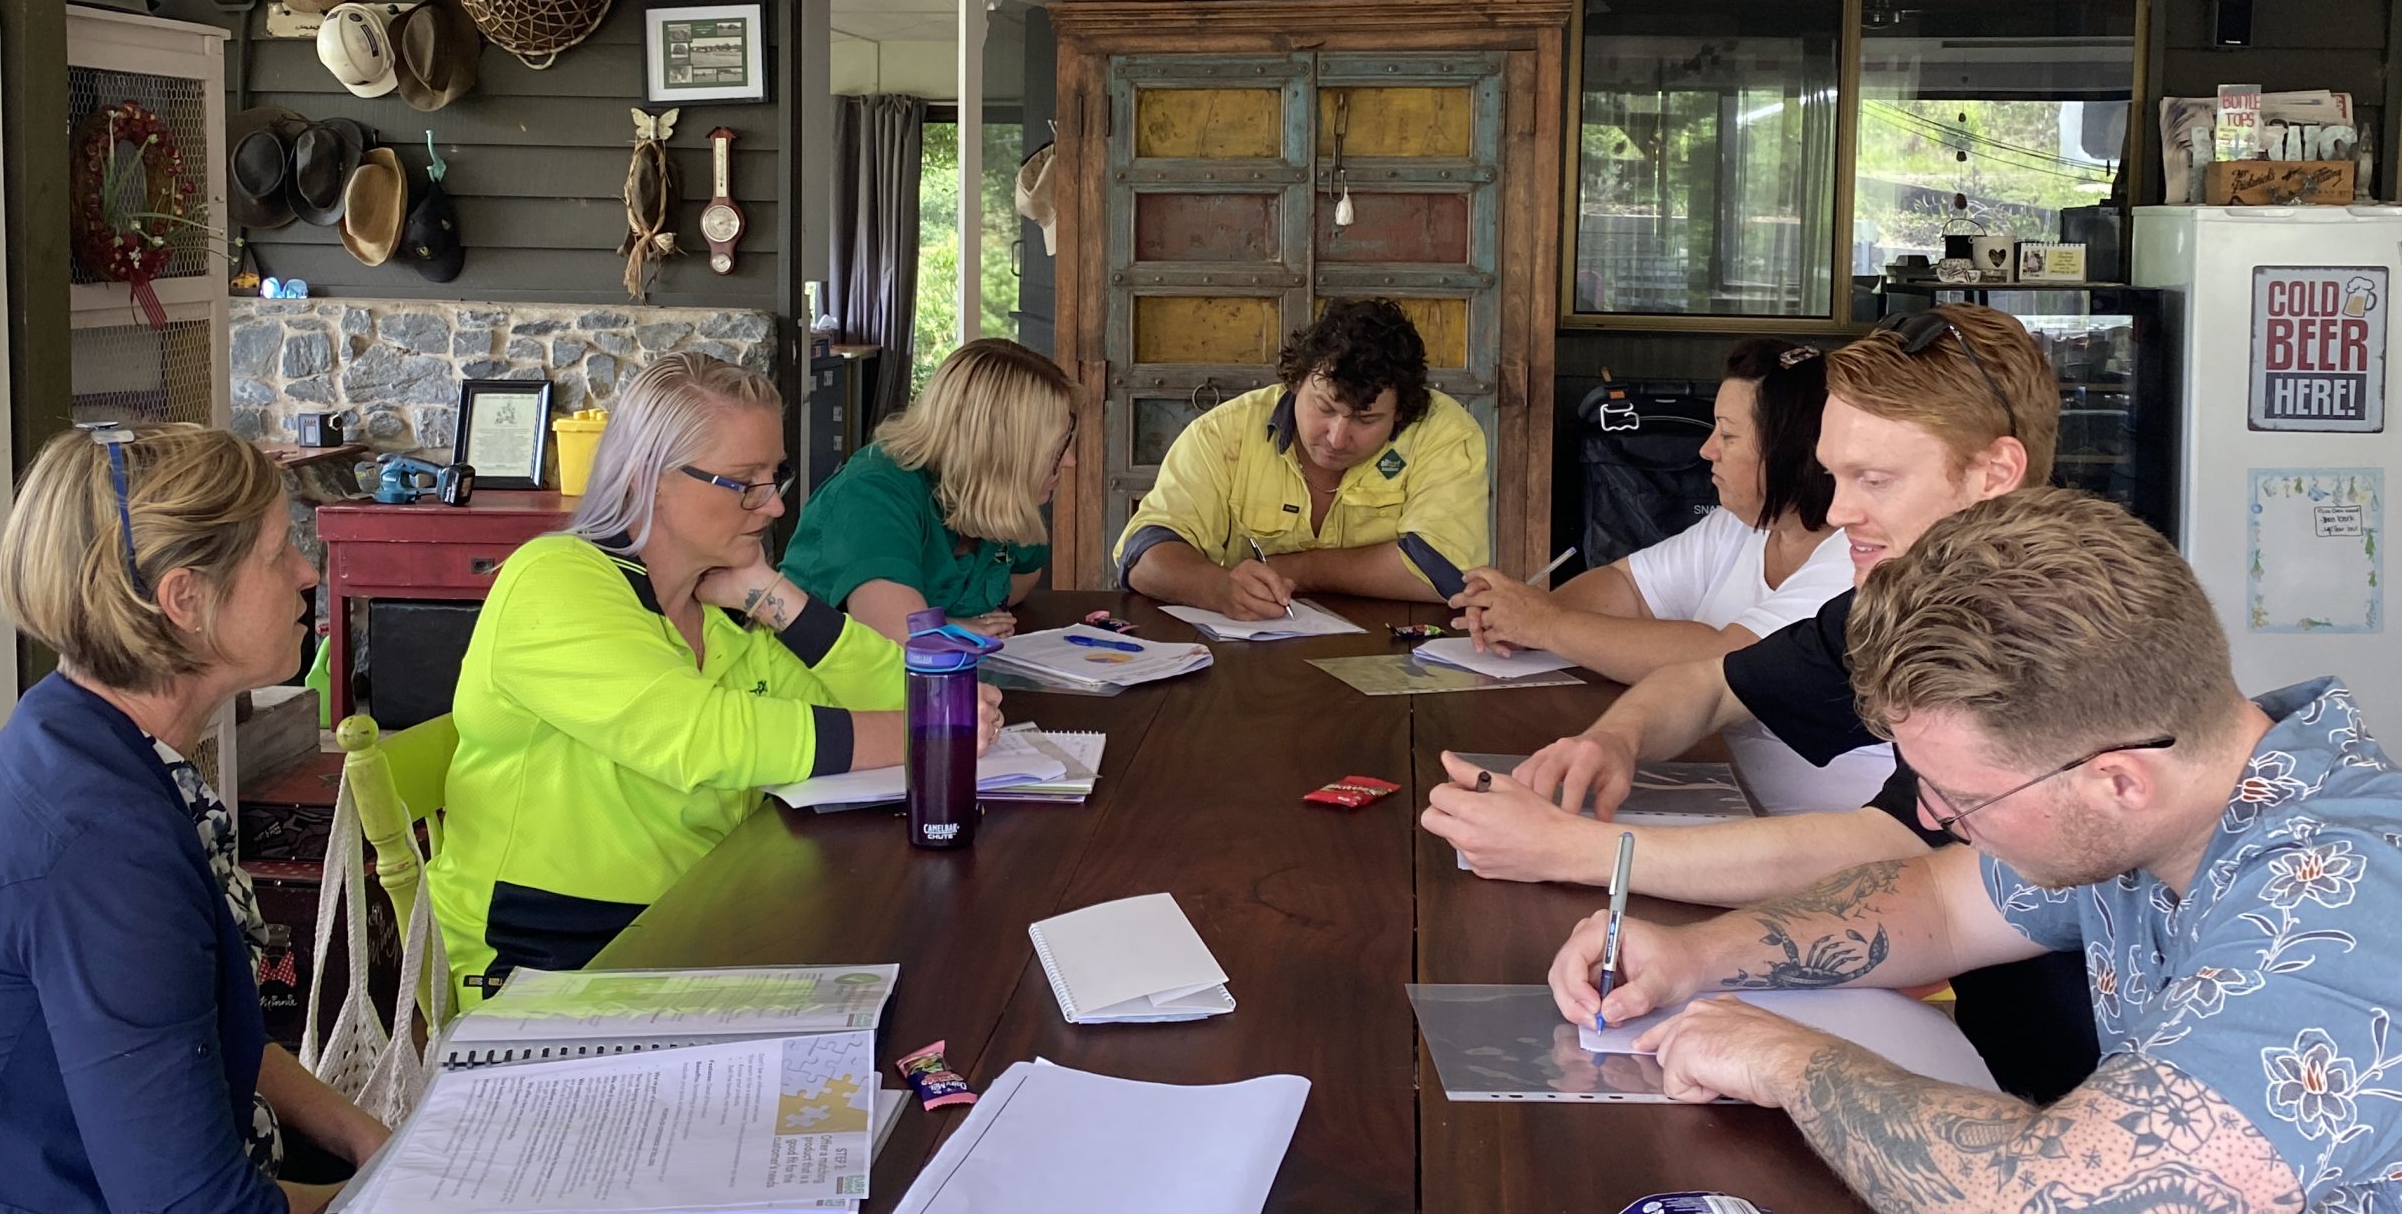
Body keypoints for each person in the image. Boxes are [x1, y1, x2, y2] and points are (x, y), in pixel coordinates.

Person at [1548, 487, 2402, 1214]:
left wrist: (1786, 1061)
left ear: (2116, 783)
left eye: (1962, 799)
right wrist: (1699, 953)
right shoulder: (2173, 801)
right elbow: (1942, 904)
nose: (1932, 816)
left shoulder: (2348, 905)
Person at [1423, 304, 2098, 1102]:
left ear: (1995, 473)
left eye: (1874, 480)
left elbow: (1896, 854)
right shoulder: (1907, 597)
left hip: (2050, 1084)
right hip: (1956, 1035)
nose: (1839, 512)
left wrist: (1576, 851)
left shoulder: (2050, 630)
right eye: (1835, 474)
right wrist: (1615, 739)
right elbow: (1716, 680)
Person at [0, 424, 391, 1214]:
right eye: (279, 550)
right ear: (184, 598)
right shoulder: (98, 846)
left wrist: (371, 1141)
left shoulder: (74, 737)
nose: (307, 574)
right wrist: (411, 1205)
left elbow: (190, 1029)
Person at [428, 350, 1004, 1000]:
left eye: (775, 477)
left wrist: (775, 597)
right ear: (650, 478)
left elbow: (890, 693)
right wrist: (931, 731)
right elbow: (704, 737)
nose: (774, 506)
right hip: (554, 956)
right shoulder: (554, 579)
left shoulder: (719, 612)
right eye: (743, 482)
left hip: (700, 925)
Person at [1447, 336, 1883, 814]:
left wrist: (1547, 624)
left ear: (1794, 451)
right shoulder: (1740, 526)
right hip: (1719, 788)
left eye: (1728, 435)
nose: (1706, 450)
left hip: (1822, 828)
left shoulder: (1861, 557)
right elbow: (1629, 585)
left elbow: (1725, 661)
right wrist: (1525, 618)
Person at [1114, 296, 1490, 619]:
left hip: (1398, 663)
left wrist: (1296, 569)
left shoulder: (1444, 433)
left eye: (1366, 419)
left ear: (1402, 412)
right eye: (1324, 408)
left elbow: (1444, 571)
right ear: (1296, 381)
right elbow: (1141, 555)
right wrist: (1219, 588)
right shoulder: (1224, 434)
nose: (1337, 437)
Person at [781, 337, 1077, 644]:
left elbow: (1024, 578)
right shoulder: (874, 493)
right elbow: (897, 637)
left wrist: (946, 620)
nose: (1071, 461)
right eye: (1058, 449)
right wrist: (948, 625)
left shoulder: (992, 493)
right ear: (1001, 450)